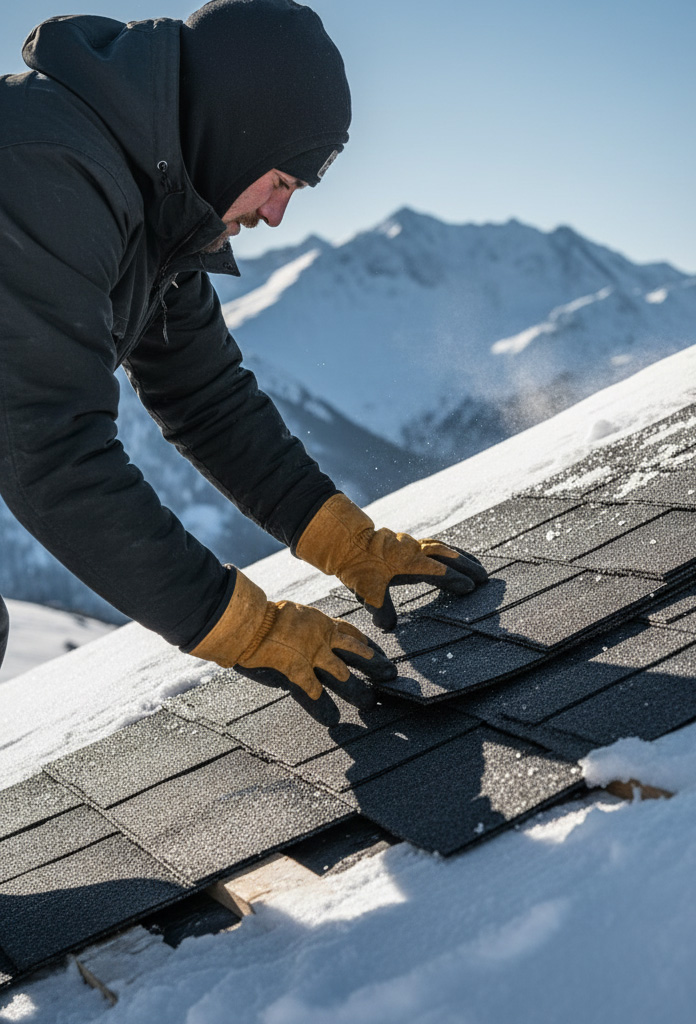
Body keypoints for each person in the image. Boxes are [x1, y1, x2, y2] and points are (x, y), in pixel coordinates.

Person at [0, 0, 487, 704]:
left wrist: (347, 543)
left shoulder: (159, 195)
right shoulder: (46, 171)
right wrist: (243, 627)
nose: (276, 214)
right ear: (238, 128)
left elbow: (203, 396)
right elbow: (48, 449)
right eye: (282, 181)